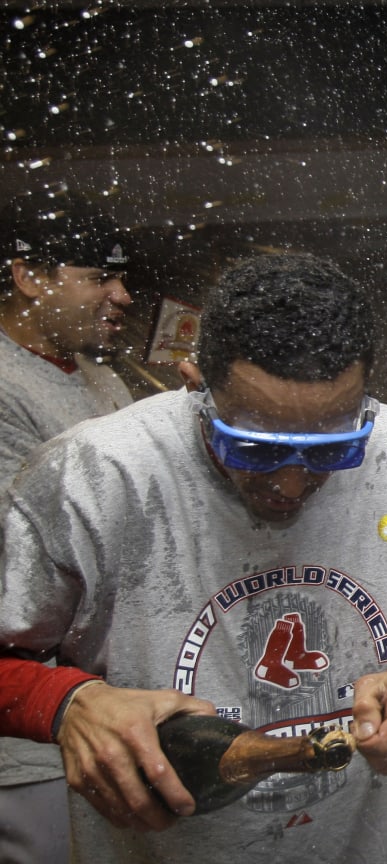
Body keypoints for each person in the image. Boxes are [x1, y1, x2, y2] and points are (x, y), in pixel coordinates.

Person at [0, 253, 387, 862]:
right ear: (195, 383)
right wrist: (67, 704)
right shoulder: (94, 476)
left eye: (332, 448)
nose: (293, 483)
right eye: (255, 447)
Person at [0, 194, 135, 863]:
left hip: (108, 703)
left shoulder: (102, 381)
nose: (122, 295)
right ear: (28, 277)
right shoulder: (4, 382)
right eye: (99, 278)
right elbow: (20, 548)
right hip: (31, 734)